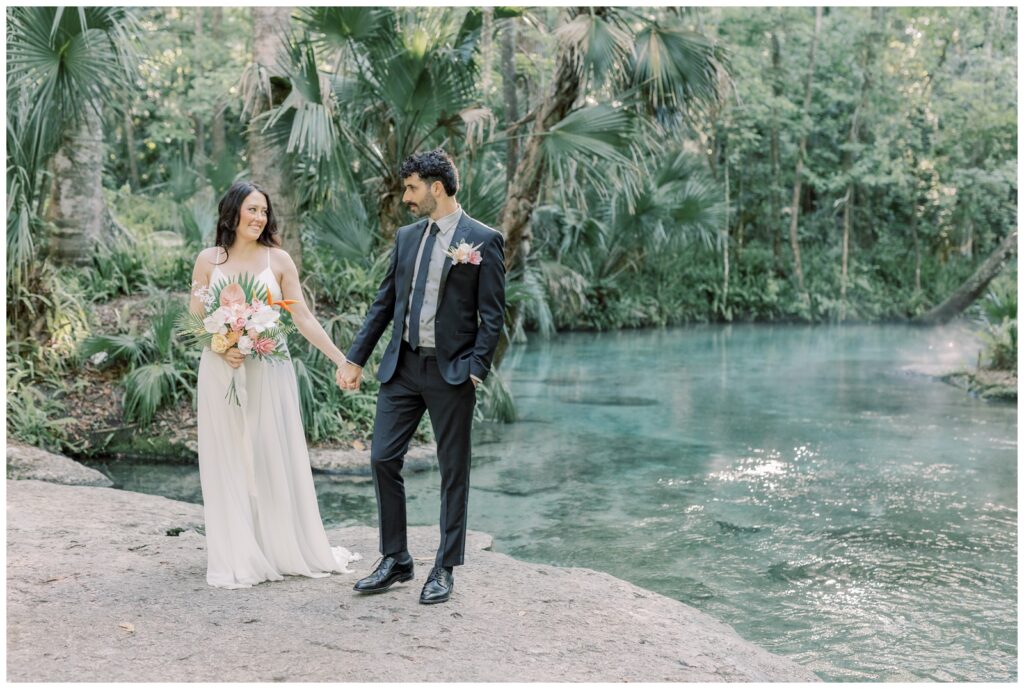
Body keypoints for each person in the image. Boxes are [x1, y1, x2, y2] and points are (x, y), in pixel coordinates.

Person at [338, 149, 506, 604]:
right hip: (403, 366)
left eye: (412, 188)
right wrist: (355, 358)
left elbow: (493, 318)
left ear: (436, 187)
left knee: (453, 471)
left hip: (452, 373)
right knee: (381, 457)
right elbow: (384, 303)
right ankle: (397, 559)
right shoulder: (407, 236)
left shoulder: (483, 240)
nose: (406, 197)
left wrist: (475, 371)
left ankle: (444, 567)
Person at [189, 180, 359, 589]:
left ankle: (280, 546)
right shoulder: (208, 260)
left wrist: (343, 360)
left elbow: (302, 318)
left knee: (268, 452)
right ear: (232, 213)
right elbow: (194, 319)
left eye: (263, 211)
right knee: (228, 455)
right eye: (251, 209)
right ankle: (238, 553)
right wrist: (220, 343)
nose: (259, 217)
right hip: (220, 370)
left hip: (269, 368)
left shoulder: (278, 261)